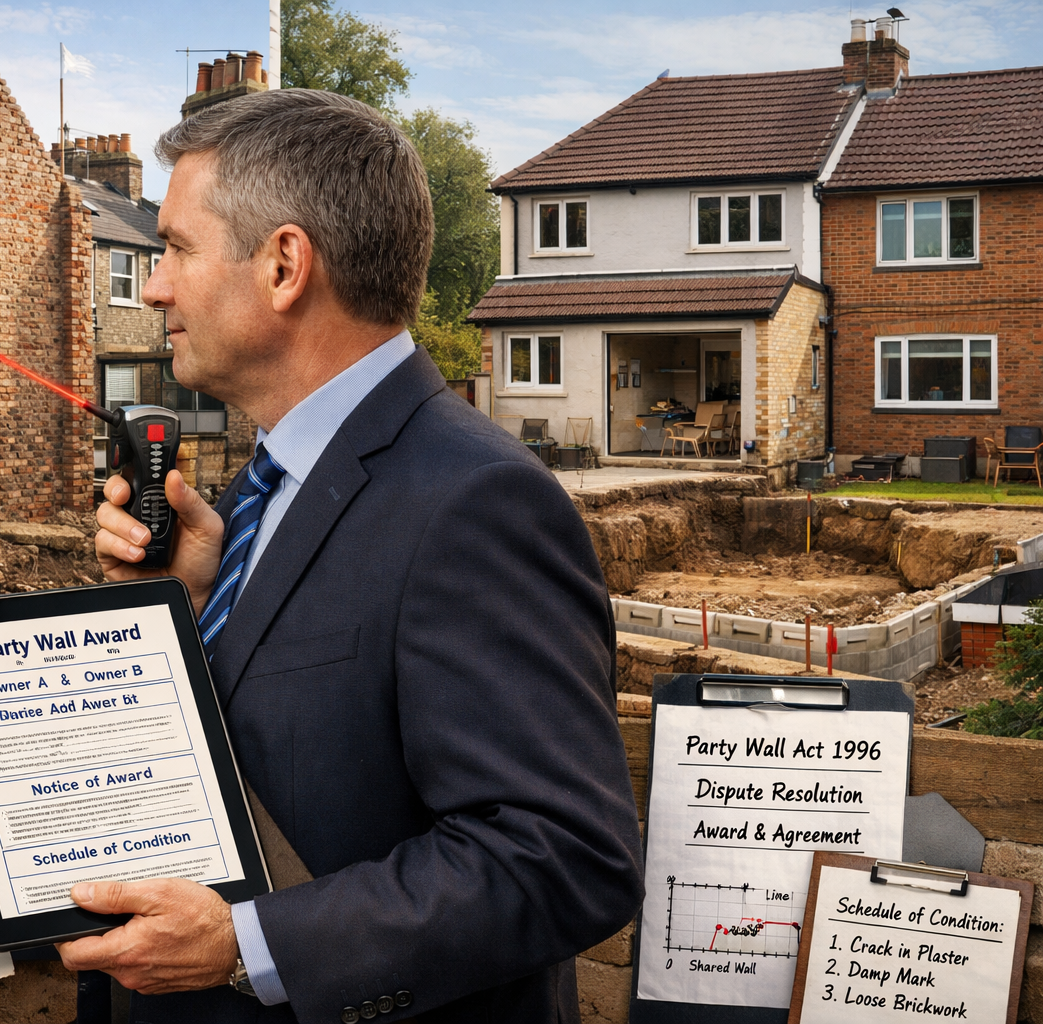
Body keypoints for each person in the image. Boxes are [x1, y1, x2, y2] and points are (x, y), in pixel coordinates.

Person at [57, 87, 643, 1023]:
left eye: (173, 249)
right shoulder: (281, 477)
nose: (155, 286)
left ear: (285, 264)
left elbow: (564, 857)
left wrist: (246, 947)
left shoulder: (475, 499)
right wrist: (209, 605)